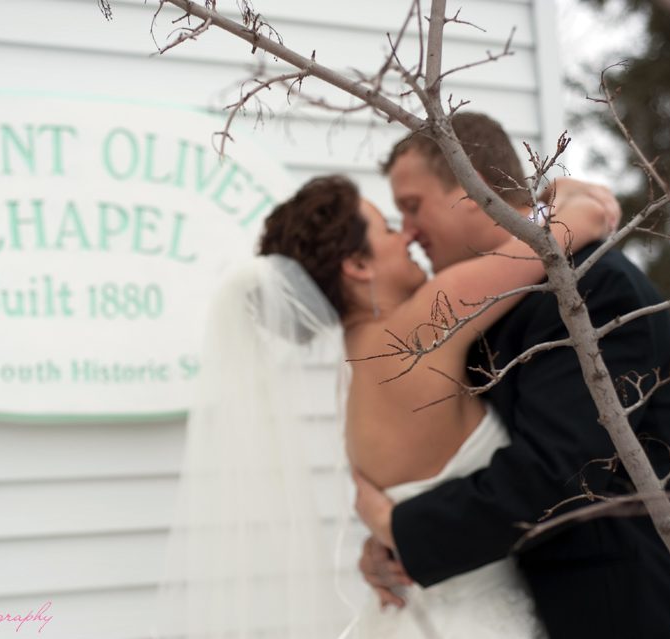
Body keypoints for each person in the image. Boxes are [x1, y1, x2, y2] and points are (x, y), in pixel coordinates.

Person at [155, 167, 615, 637]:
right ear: (358, 265)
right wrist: (568, 191)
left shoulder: (355, 379)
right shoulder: (417, 329)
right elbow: (570, 226)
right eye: (389, 229)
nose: (407, 236)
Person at [354, 111, 670, 638]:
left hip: (634, 616)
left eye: (412, 207)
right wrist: (394, 548)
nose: (409, 233)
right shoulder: (486, 308)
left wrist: (401, 529)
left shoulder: (594, 289)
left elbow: (562, 474)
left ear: (474, 187)